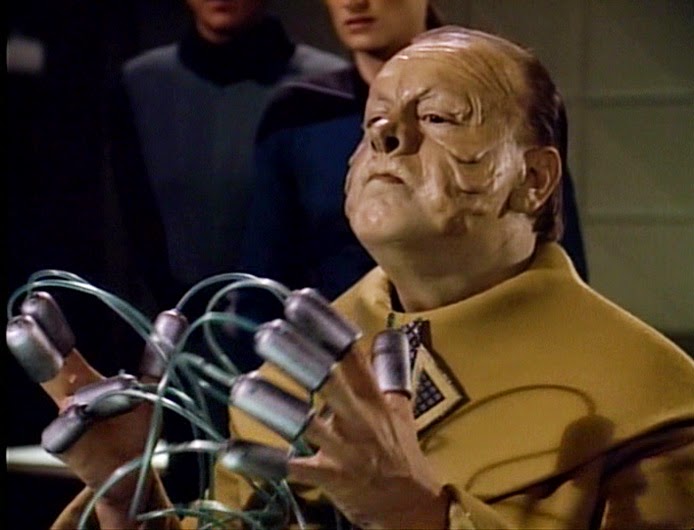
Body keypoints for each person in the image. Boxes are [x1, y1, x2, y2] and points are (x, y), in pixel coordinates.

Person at [11, 26, 694, 529]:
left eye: (437, 118)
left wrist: (416, 515)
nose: (387, 138)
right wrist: (129, 501)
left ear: (536, 179)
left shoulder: (652, 404)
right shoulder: (282, 383)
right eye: (374, 124)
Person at [108, 0, 347, 503]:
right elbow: (127, 229)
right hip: (178, 353)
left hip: (296, 352)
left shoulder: (325, 88)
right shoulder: (141, 83)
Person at [238, 0, 589, 305]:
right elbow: (261, 283)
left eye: (437, 117)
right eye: (374, 120)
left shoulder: (508, 95)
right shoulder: (301, 113)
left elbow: (558, 256)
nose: (354, 2)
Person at [110, 0, 347, 313]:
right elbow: (132, 224)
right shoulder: (140, 83)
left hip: (296, 320)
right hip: (173, 321)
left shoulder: (328, 87)